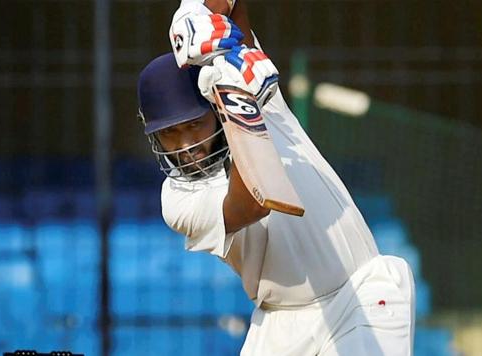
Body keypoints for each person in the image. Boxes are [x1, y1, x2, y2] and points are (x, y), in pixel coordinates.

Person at [137, 1, 416, 355]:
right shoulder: (177, 199)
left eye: (194, 124)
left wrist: (196, 13)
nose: (187, 144)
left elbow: (231, 8)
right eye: (170, 133)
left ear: (210, 107)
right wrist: (239, 102)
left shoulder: (265, 102)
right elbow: (253, 203)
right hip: (279, 321)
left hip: (358, 290)